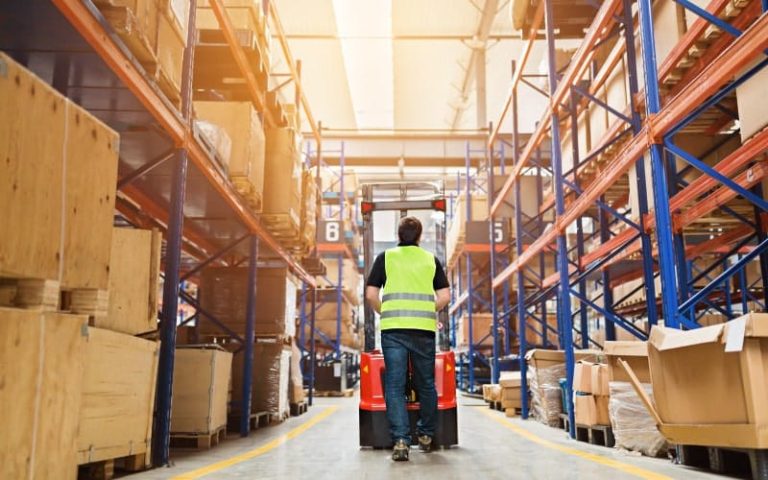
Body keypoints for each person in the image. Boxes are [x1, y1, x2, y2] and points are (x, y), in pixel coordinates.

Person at [365, 216, 451, 462]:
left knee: (394, 385)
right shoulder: (430, 260)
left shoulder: (386, 258)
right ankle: (425, 435)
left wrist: (386, 311)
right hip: (423, 329)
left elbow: (371, 294)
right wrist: (426, 309)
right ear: (420, 236)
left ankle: (401, 441)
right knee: (426, 383)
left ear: (398, 234)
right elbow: (444, 295)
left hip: (393, 330)